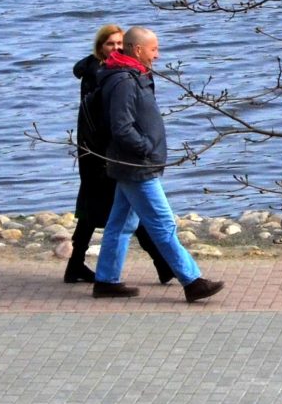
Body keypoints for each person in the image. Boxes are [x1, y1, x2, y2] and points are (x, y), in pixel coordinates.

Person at [90, 26, 224, 304]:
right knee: (162, 223)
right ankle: (192, 281)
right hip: (137, 166)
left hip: (131, 164)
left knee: (121, 223)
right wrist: (146, 148)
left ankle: (105, 280)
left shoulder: (130, 75)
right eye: (154, 50)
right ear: (137, 50)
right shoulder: (125, 81)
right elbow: (122, 127)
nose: (158, 56)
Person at [64, 24, 178, 286]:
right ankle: (164, 265)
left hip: (110, 152)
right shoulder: (103, 76)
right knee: (123, 211)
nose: (115, 48)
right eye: (109, 44)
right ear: (100, 47)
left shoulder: (124, 73)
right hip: (103, 154)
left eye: (119, 44)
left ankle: (77, 264)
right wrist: (140, 147)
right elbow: (109, 121)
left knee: (103, 211)